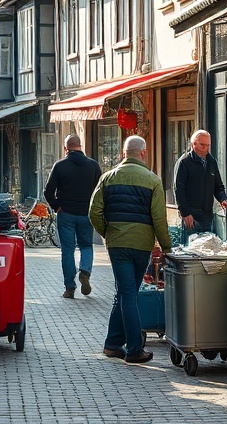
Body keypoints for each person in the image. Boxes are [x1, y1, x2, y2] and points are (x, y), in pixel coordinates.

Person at [89, 135, 172, 364]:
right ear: (143, 153)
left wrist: (108, 232)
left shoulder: (107, 178)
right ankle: (134, 349)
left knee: (124, 293)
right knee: (129, 294)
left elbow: (94, 212)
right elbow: (159, 219)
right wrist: (166, 247)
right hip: (141, 245)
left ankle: (112, 344)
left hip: (117, 244)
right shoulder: (153, 180)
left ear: (123, 153)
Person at [44, 133, 102, 299]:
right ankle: (85, 271)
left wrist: (57, 206)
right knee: (86, 246)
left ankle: (70, 288)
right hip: (86, 214)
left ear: (65, 148)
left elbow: (48, 191)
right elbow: (100, 191)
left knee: (67, 251)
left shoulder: (60, 166)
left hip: (66, 214)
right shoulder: (93, 166)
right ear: (80, 146)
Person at [173, 129, 227, 236]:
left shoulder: (211, 162)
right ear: (193, 144)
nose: (205, 148)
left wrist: (223, 199)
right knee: (191, 245)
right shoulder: (184, 162)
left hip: (207, 215)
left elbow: (218, 186)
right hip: (191, 215)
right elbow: (179, 190)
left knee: (208, 244)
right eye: (202, 145)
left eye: (208, 145)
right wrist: (185, 213)